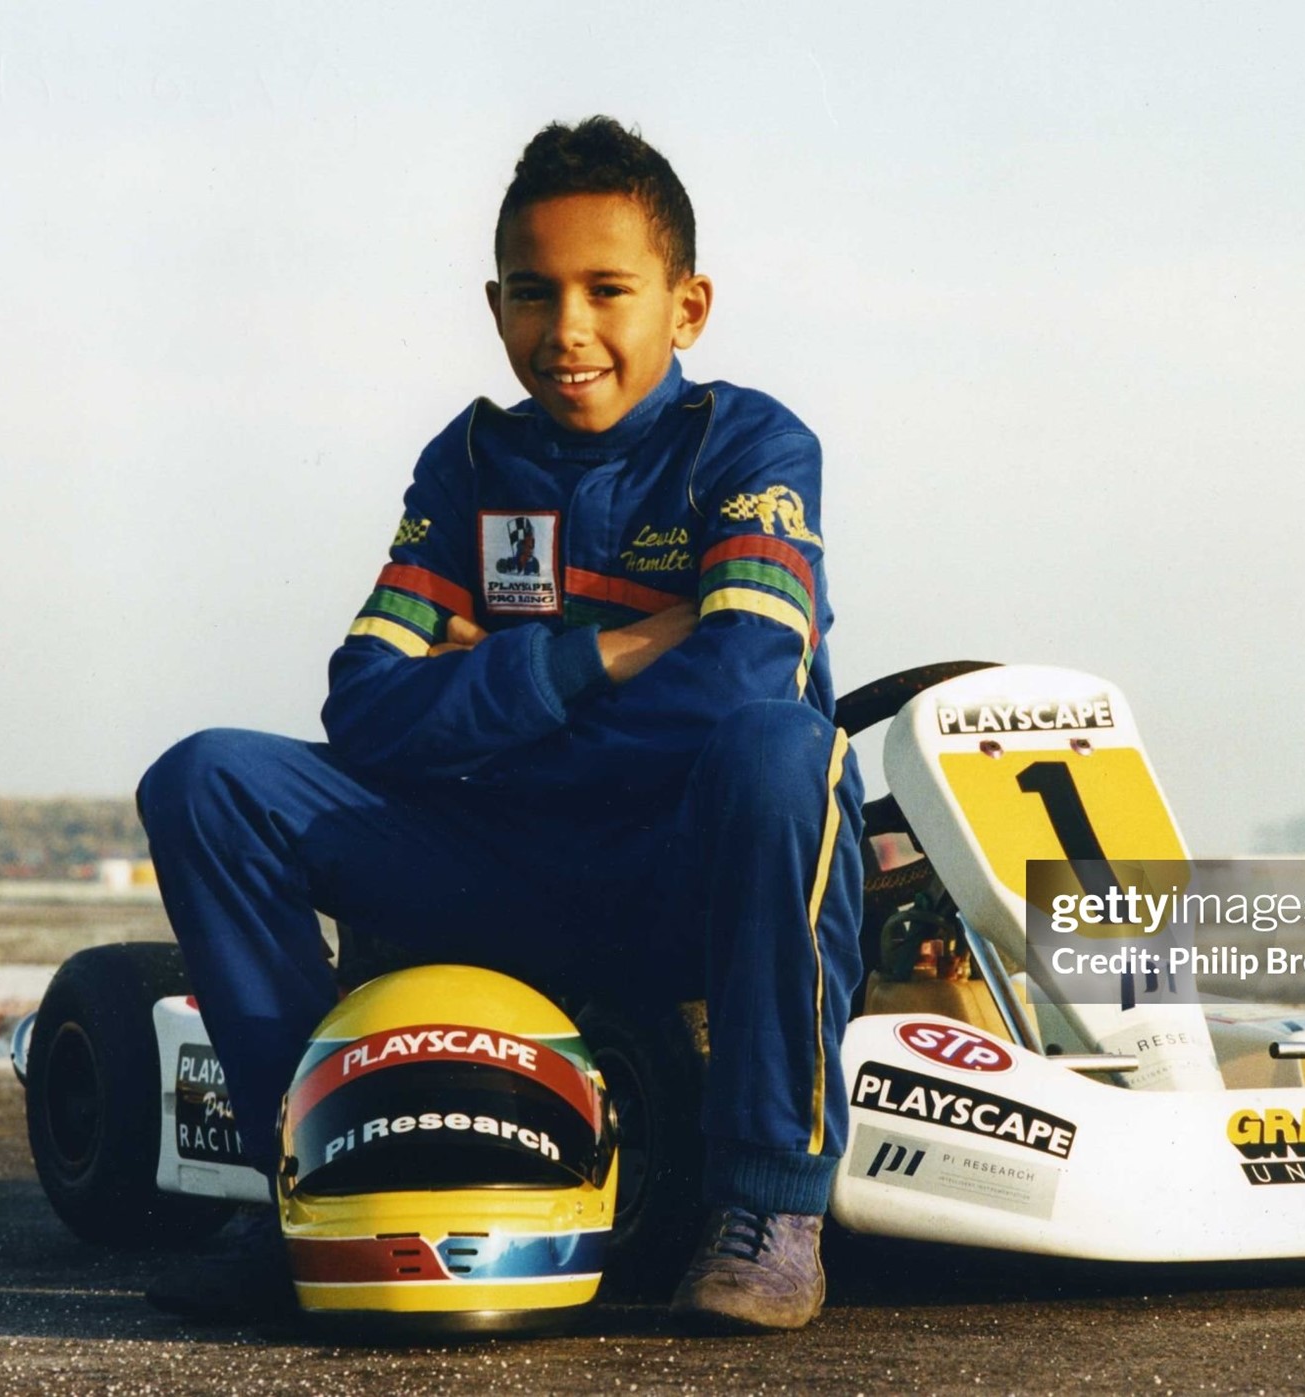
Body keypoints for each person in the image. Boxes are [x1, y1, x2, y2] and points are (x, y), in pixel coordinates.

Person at [136, 116, 863, 1333]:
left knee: (781, 752)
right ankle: (303, 1184)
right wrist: (607, 650)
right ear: (494, 305)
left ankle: (768, 1209)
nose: (565, 328)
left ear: (686, 308)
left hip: (684, 879)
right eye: (534, 293)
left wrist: (481, 702)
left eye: (606, 290)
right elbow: (363, 703)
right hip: (501, 866)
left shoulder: (748, 445)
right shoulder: (469, 461)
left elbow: (743, 686)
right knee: (206, 779)